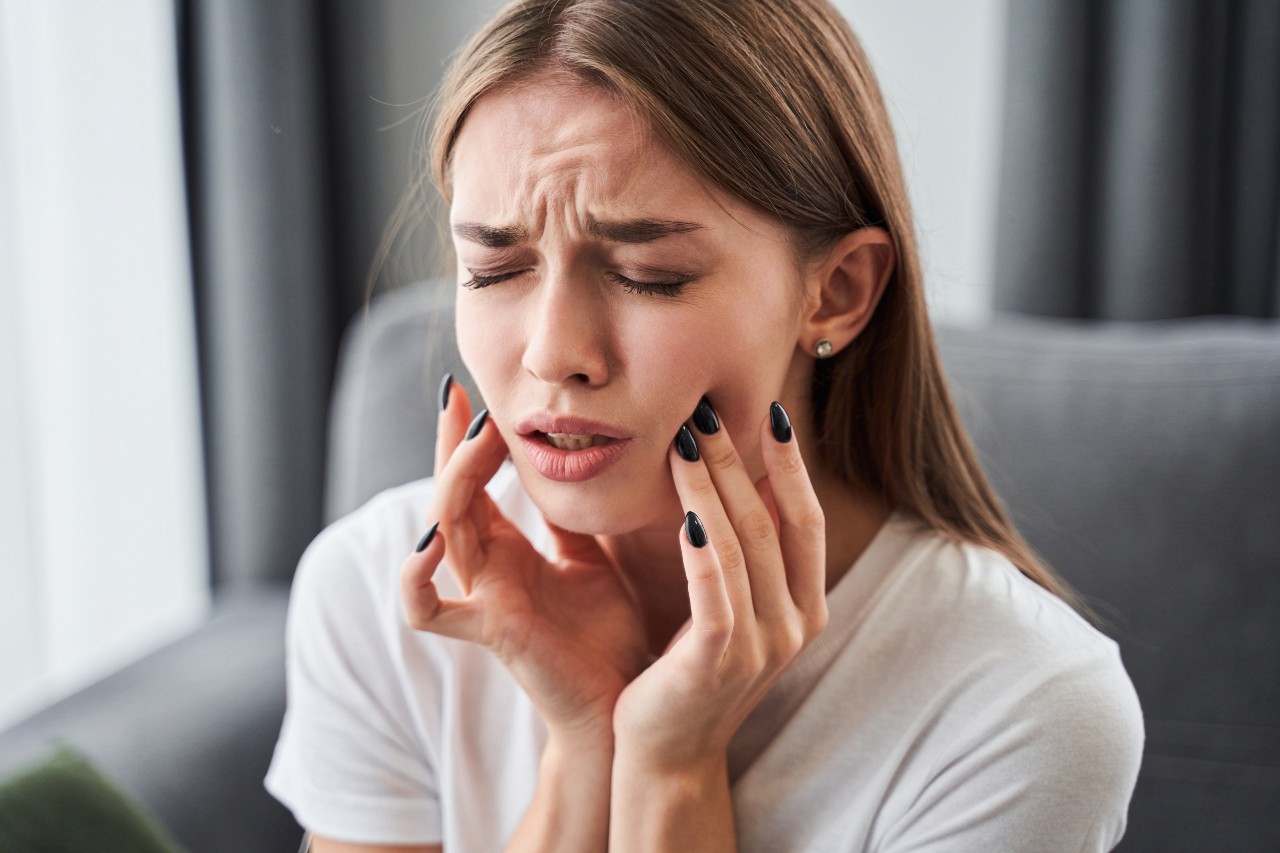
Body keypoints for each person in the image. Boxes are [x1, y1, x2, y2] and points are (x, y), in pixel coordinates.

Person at [265, 1, 1144, 850]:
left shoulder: (1028, 708)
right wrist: (585, 746)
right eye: (495, 268)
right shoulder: (379, 590)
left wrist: (672, 766)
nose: (553, 353)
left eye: (649, 274)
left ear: (835, 292)